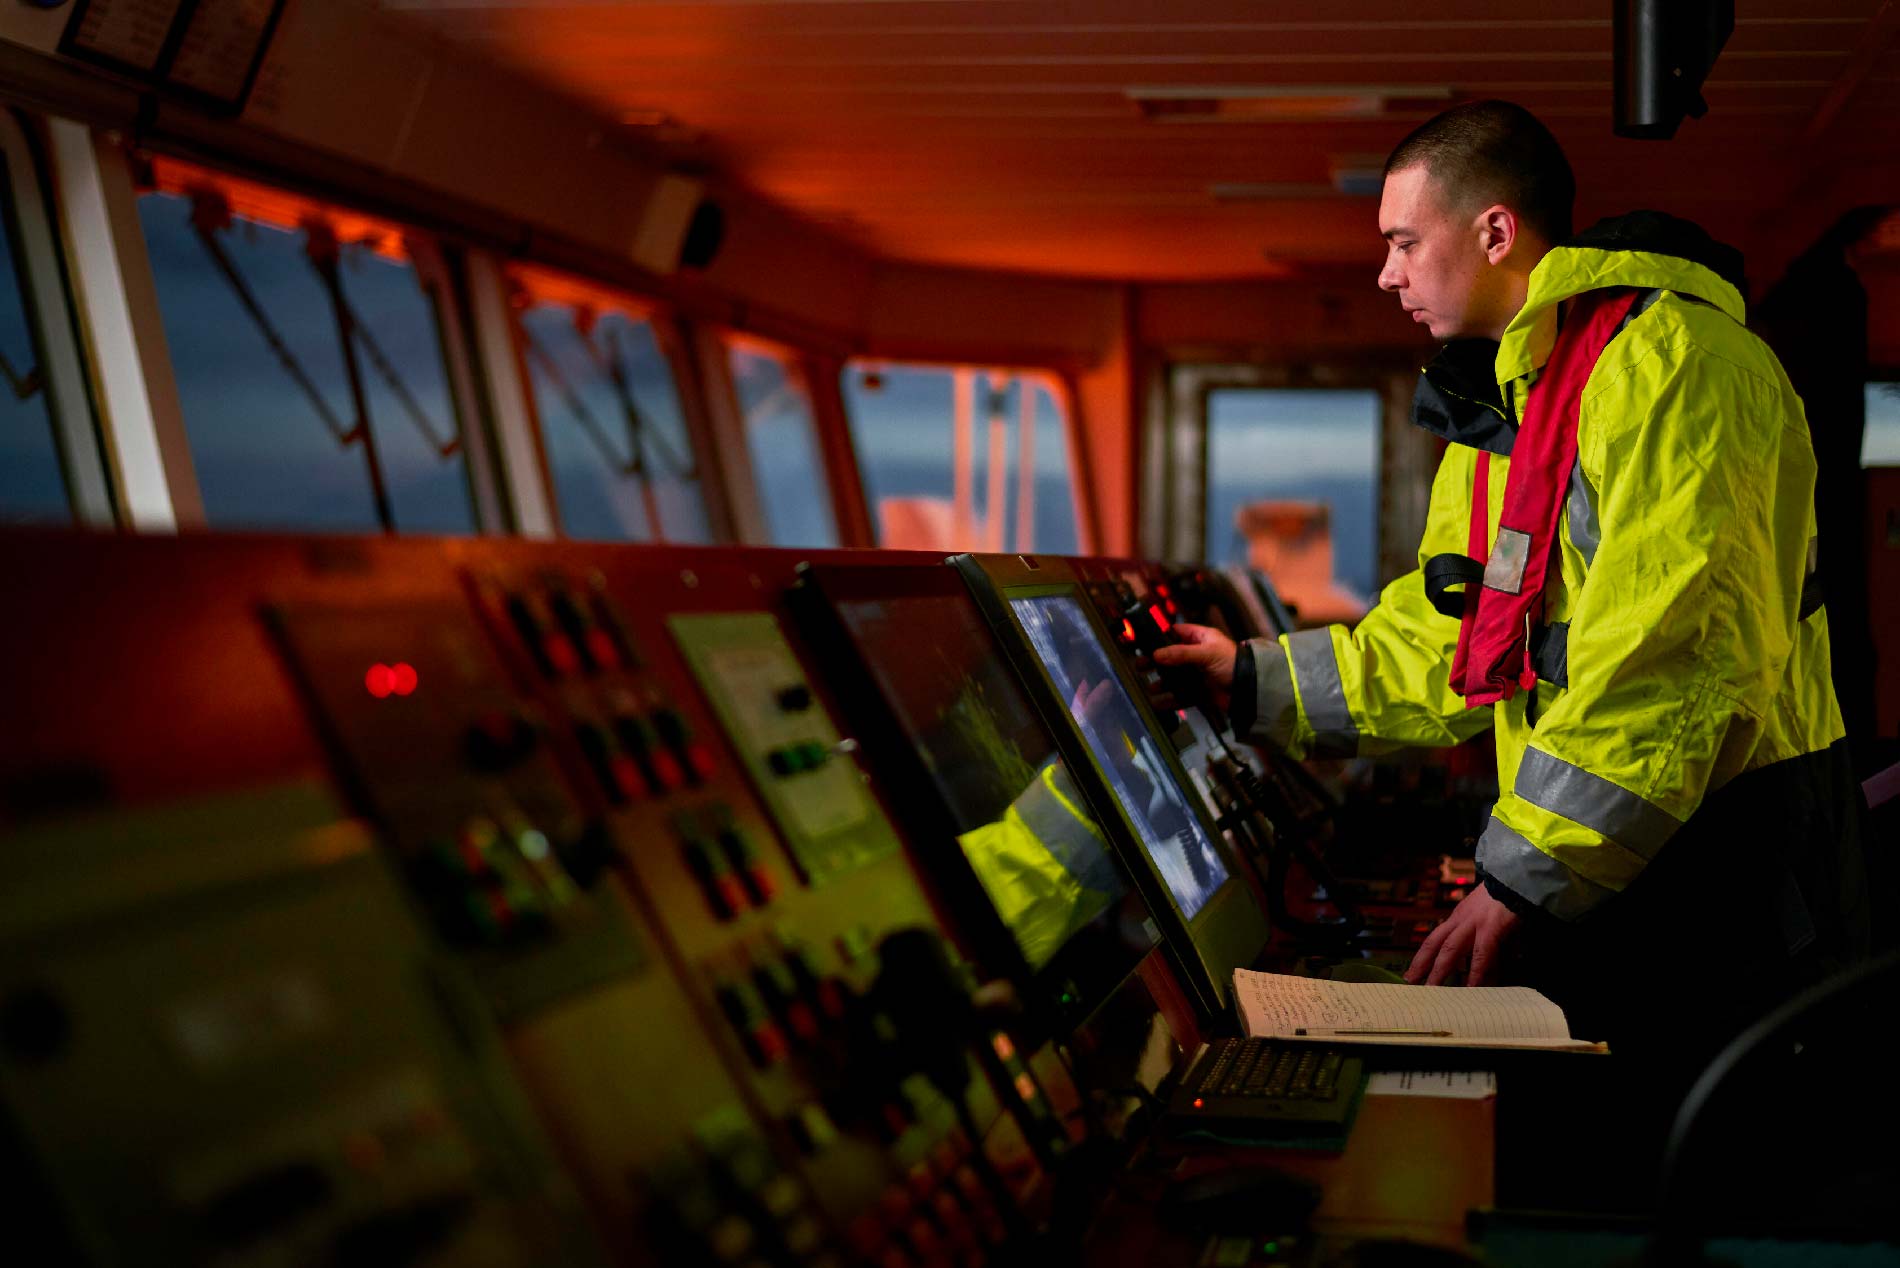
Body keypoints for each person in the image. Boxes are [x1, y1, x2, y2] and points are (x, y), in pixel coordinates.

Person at [1156, 101, 1867, 1075]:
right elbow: (1455, 644)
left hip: (1723, 871)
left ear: (1492, 231)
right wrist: (1252, 678)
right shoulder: (1505, 418)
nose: (1386, 272)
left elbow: (1672, 658)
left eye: (1404, 240)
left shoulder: (1679, 366)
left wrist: (1518, 876)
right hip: (1606, 861)